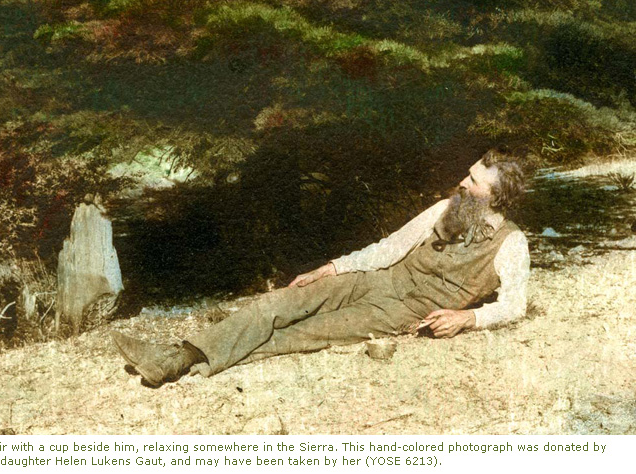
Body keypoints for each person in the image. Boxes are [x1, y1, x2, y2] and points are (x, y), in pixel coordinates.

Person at [111, 149, 530, 387]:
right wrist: (332, 268)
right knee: (283, 302)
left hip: (402, 312)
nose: (462, 182)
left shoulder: (511, 243)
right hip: (377, 281)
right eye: (468, 173)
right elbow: (388, 248)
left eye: (473, 181)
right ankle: (175, 357)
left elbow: (514, 305)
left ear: (495, 196)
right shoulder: (445, 208)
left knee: (302, 334)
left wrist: (468, 317)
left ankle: (191, 363)